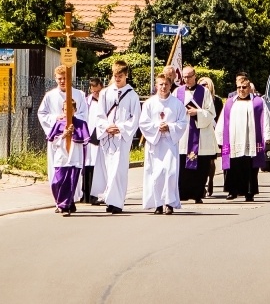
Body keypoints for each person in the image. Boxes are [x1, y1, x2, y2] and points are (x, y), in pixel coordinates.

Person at [215, 72, 270, 201]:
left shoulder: (258, 102)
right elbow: (223, 121)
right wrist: (219, 137)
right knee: (233, 167)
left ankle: (249, 192)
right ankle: (232, 191)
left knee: (249, 167)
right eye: (239, 87)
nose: (241, 90)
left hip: (251, 141)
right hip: (234, 140)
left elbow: (265, 119)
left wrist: (268, 135)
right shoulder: (230, 103)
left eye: (244, 87)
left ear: (249, 88)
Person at [92, 60, 141, 214]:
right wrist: (107, 126)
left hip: (121, 138)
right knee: (107, 169)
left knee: (118, 170)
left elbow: (135, 118)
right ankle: (109, 199)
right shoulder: (105, 93)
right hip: (107, 136)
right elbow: (99, 114)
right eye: (115, 75)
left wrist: (120, 128)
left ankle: (117, 202)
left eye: (120, 75)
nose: (117, 78)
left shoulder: (132, 95)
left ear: (126, 75)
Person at [139, 73, 187, 215]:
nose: (163, 87)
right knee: (156, 174)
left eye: (166, 84)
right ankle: (157, 204)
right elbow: (143, 123)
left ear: (170, 85)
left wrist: (170, 127)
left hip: (169, 142)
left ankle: (170, 203)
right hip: (155, 143)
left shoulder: (177, 104)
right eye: (161, 84)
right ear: (156, 85)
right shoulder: (149, 103)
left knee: (170, 173)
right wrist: (157, 127)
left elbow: (183, 123)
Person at [38, 65, 88, 185]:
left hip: (73, 135)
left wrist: (72, 120)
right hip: (57, 136)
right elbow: (42, 113)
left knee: (73, 163)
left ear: (70, 78)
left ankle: (73, 194)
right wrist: (56, 118)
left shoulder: (79, 94)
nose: (62, 81)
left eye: (65, 78)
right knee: (57, 164)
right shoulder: (50, 95)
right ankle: (58, 192)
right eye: (59, 78)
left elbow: (84, 113)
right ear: (55, 78)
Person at [176, 66, 217, 203]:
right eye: (184, 77)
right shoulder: (177, 92)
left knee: (200, 168)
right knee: (182, 167)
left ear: (195, 76)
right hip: (183, 136)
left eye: (189, 76)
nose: (186, 79)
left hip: (200, 136)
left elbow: (212, 114)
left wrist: (197, 113)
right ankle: (182, 193)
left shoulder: (204, 92)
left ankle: (198, 194)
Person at [47, 100, 90, 215]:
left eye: (71, 109)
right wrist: (63, 135)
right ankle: (67, 203)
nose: (68, 112)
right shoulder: (58, 123)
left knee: (70, 183)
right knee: (56, 182)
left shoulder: (81, 124)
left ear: (75, 110)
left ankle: (64, 207)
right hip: (61, 157)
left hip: (74, 158)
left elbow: (84, 141)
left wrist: (74, 132)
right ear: (63, 110)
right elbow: (53, 142)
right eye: (66, 110)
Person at [198, 76, 222, 195]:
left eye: (206, 84)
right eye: (201, 85)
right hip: (199, 132)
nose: (204, 87)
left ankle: (211, 180)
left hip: (212, 131)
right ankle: (201, 185)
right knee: (200, 161)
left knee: (211, 161)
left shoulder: (217, 100)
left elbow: (219, 117)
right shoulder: (196, 99)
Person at [81, 77, 103, 204]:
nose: (95, 94)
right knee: (86, 166)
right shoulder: (86, 101)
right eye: (93, 91)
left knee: (96, 166)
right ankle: (85, 195)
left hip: (99, 136)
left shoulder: (105, 101)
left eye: (98, 91)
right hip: (87, 136)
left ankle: (95, 195)